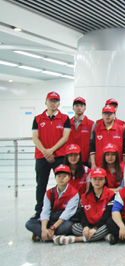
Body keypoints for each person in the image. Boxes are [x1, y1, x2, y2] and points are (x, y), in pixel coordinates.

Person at [31, 91, 71, 219]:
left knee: (62, 183)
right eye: (50, 101)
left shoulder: (65, 118)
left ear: (59, 103)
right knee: (41, 184)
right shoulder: (38, 119)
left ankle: (61, 209)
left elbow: (65, 137)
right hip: (41, 156)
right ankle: (39, 210)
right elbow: (35, 138)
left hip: (59, 156)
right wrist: (45, 151)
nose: (53, 103)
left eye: (55, 101)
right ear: (46, 102)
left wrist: (51, 150)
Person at [25, 164, 79, 242]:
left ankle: (46, 235)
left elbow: (67, 214)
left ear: (69, 177)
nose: (61, 179)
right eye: (59, 176)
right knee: (29, 223)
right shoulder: (49, 192)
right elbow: (45, 211)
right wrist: (43, 229)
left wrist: (53, 228)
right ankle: (50, 235)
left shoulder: (74, 193)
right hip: (51, 219)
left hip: (63, 221)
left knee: (68, 226)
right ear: (55, 177)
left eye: (64, 176)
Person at [68, 167, 115, 244]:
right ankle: (102, 236)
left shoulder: (111, 195)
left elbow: (107, 214)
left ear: (104, 180)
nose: (97, 181)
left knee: (108, 226)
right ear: (90, 180)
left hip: (102, 225)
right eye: (95, 179)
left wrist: (96, 228)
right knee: (74, 227)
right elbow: (83, 214)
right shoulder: (84, 196)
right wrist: (85, 226)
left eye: (100, 179)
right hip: (89, 225)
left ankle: (77, 239)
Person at [90, 104, 125, 169]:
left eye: (110, 113)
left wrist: (124, 165)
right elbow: (92, 149)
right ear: (102, 115)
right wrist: (93, 164)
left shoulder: (121, 129)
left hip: (117, 166)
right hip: (100, 165)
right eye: (105, 113)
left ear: (114, 115)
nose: (107, 116)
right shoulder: (96, 129)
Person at [66, 97, 93, 166]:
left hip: (85, 159)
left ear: (85, 108)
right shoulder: (67, 123)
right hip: (69, 159)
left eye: (81, 106)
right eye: (77, 106)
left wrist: (91, 159)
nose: (79, 108)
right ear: (73, 108)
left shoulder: (91, 124)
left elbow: (93, 143)